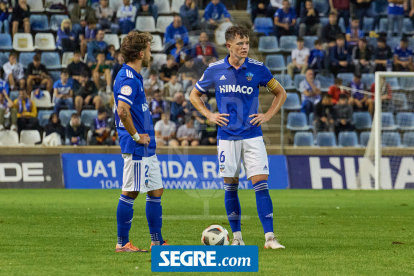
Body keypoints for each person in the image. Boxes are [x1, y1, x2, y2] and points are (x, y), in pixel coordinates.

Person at [190, 26, 287, 249]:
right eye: (240, 44)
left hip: (253, 135)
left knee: (261, 185)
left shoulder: (258, 69)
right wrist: (209, 114)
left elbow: (280, 92)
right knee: (230, 187)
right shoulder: (215, 69)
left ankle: (270, 238)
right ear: (229, 46)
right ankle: (237, 238)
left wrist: (268, 115)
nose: (245, 47)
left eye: (247, 43)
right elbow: (194, 95)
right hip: (226, 137)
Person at [113, 32, 168, 252]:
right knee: (131, 191)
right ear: (140, 53)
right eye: (148, 49)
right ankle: (122, 242)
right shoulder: (127, 77)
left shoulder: (135, 75)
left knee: (156, 190)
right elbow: (122, 110)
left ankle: (157, 241)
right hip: (136, 145)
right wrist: (136, 136)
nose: (150, 53)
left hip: (147, 147)